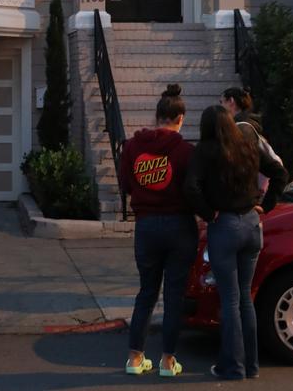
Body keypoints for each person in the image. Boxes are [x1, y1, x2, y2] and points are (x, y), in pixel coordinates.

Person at [184, 104, 288, 381]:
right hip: (252, 225)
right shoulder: (247, 146)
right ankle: (251, 366)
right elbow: (279, 172)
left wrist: (208, 212)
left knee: (229, 299)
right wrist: (265, 204)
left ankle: (232, 366)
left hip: (225, 225)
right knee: (245, 298)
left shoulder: (206, 150)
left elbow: (190, 186)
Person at [118, 84, 197, 378]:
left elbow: (126, 184)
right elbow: (193, 189)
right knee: (174, 295)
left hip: (146, 225)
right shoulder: (186, 151)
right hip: (179, 225)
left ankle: (135, 358)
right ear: (180, 118)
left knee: (147, 292)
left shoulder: (132, 147)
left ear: (157, 115)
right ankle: (167, 361)